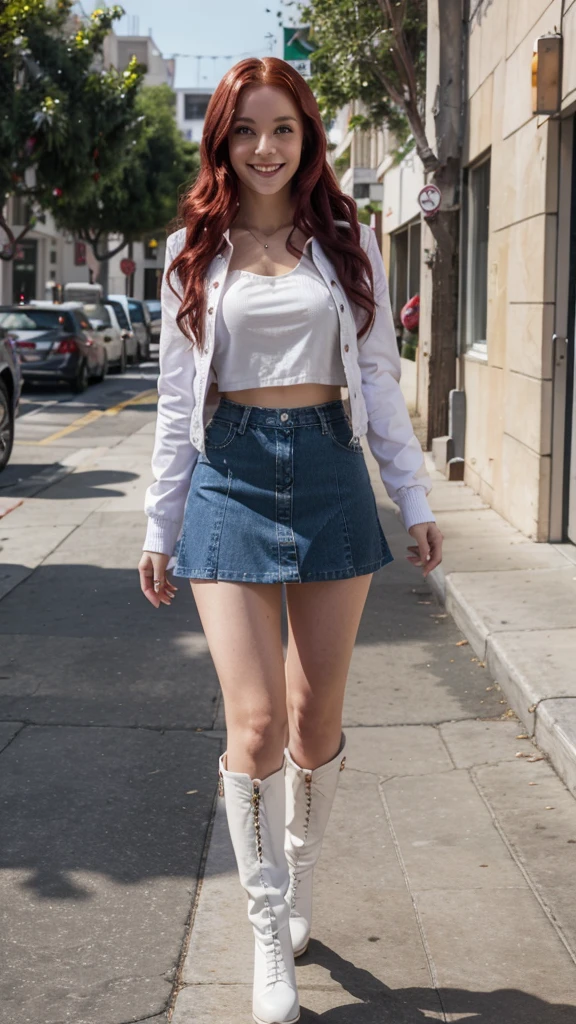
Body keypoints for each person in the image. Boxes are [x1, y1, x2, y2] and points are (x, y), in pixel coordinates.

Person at [138, 56, 443, 1024]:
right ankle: (269, 927)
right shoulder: (194, 248)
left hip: (325, 470)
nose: (264, 148)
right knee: (257, 724)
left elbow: (381, 378)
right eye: (244, 130)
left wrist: (415, 495)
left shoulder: (345, 241)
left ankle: (300, 876)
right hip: (226, 475)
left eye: (283, 129)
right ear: (220, 141)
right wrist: (160, 521)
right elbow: (177, 399)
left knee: (315, 723)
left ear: (309, 139)